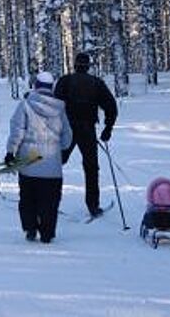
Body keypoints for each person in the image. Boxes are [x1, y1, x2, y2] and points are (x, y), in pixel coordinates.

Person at [5, 72, 72, 243]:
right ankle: (47, 233)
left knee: (27, 198)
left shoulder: (25, 105)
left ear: (35, 86)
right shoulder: (60, 108)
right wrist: (61, 151)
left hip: (29, 162)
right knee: (50, 200)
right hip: (52, 165)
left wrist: (10, 152)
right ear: (52, 87)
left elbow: (17, 130)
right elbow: (67, 137)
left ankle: (30, 228)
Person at [54, 53, 118, 218]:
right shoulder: (96, 83)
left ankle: (49, 201)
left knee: (55, 164)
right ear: (88, 66)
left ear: (75, 65)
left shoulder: (65, 81)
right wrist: (108, 128)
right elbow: (111, 106)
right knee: (91, 168)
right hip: (87, 129)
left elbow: (54, 106)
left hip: (67, 129)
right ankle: (93, 206)